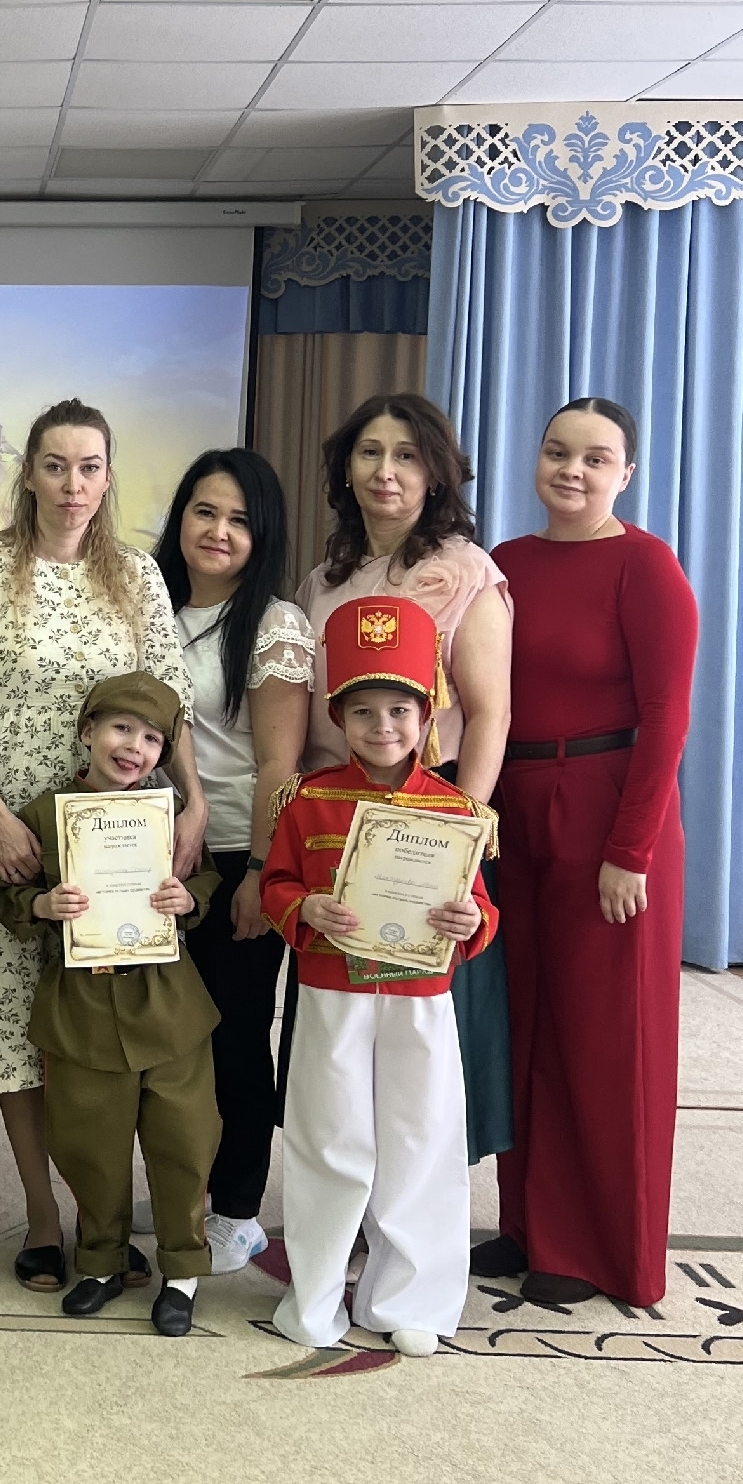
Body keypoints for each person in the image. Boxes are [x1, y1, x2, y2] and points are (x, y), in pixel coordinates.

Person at [0, 400, 205, 1290]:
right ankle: (42, 1217)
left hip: (118, 841)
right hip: (7, 839)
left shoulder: (138, 575)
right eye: (55, 465)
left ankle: (102, 1224)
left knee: (98, 1038)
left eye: (89, 467)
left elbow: (171, 704)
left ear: (108, 475)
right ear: (29, 473)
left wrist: (193, 804)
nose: (72, 484)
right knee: (14, 1035)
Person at [482, 400, 697, 1310]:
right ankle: (528, 1223)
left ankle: (599, 1249)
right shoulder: (504, 563)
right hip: (517, 806)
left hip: (609, 809)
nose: (571, 470)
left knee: (603, 1038)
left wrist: (631, 850)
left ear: (626, 474)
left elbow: (667, 719)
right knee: (525, 1022)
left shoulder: (646, 566)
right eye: (556, 451)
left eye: (595, 458)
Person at [263, 598, 499, 1356]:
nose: (383, 726)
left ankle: (412, 1299)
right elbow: (275, 886)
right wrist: (306, 908)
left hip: (419, 1000)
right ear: (339, 718)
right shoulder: (308, 801)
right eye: (363, 711)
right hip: (331, 995)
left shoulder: (457, 809)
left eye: (400, 710)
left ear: (426, 715)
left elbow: (481, 909)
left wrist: (470, 921)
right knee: (328, 1141)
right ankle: (314, 1297)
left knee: (421, 1142)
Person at [296, 394, 512, 1162]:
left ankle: (418, 1197)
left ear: (435, 473)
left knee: (422, 1024)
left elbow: (489, 713)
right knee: (340, 1024)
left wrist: (461, 835)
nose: (385, 471)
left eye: (407, 455)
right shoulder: (321, 583)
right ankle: (343, 1191)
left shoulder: (467, 572)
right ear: (345, 469)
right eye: (369, 453)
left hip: (430, 813)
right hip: (335, 813)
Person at [0, 674, 220, 1334]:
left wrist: (188, 898)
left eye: (152, 740)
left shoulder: (168, 817)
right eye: (121, 728)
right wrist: (41, 903)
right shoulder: (43, 815)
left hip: (168, 1007)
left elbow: (204, 878)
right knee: (89, 1141)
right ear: (87, 731)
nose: (134, 747)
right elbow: (4, 892)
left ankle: (181, 1273)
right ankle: (99, 1263)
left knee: (184, 1138)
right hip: (81, 1009)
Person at [152, 449, 311, 1274]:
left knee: (236, 1033)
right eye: (205, 511)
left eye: (240, 520)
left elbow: (279, 764)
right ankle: (187, 1185)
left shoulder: (275, 623)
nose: (218, 531)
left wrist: (258, 870)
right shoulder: (147, 602)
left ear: (263, 535)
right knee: (167, 1038)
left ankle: (238, 1206)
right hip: (150, 851)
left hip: (235, 852)